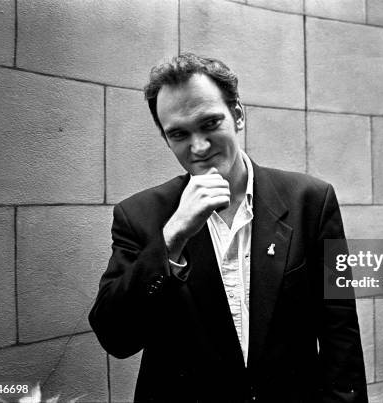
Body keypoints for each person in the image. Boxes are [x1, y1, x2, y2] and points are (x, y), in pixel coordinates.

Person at [89, 53, 368, 403]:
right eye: (179, 134)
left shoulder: (312, 201)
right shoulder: (139, 215)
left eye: (209, 124)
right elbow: (116, 338)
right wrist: (172, 237)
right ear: (166, 138)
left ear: (237, 115)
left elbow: (339, 331)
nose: (199, 147)